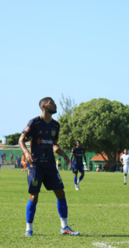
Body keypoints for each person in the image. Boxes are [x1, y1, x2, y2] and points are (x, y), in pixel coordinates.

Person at [18, 97, 79, 236]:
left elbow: (54, 144)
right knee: (34, 196)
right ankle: (29, 228)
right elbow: (21, 139)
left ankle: (65, 227)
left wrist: (63, 154)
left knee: (61, 193)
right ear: (44, 106)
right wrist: (26, 153)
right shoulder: (34, 122)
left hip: (50, 165)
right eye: (52, 102)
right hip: (36, 165)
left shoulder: (56, 125)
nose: (55, 104)